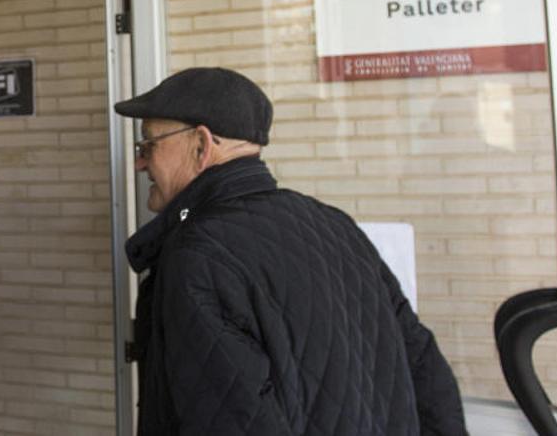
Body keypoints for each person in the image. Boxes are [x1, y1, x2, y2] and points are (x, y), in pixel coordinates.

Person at [115, 67, 466, 435]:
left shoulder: (197, 257)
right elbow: (426, 371)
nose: (140, 162)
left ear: (201, 145)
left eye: (148, 145)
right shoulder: (334, 224)